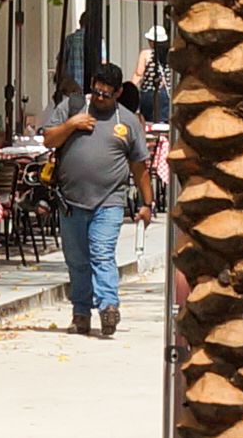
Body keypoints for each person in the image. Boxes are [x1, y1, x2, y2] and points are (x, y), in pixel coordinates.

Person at [44, 62, 161, 338]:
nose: (100, 98)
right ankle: (80, 313)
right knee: (76, 259)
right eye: (96, 91)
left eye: (106, 94)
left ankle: (108, 306)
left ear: (118, 92)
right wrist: (72, 124)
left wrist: (147, 203)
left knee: (101, 253)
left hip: (109, 200)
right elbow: (49, 139)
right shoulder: (72, 108)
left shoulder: (128, 122)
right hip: (70, 200)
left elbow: (139, 167)